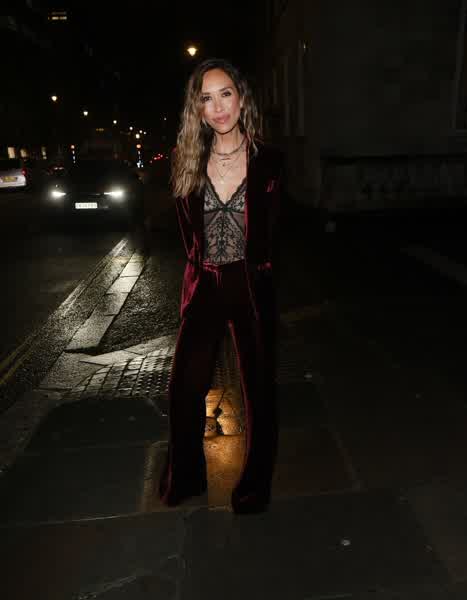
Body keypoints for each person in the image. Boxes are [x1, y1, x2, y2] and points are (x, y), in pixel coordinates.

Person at [158, 57, 283, 514]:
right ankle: (187, 476)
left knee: (258, 390)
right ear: (197, 109)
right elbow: (186, 236)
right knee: (184, 387)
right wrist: (194, 283)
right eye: (206, 98)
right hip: (205, 283)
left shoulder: (269, 160)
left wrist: (261, 275)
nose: (218, 107)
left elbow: (272, 232)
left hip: (250, 283)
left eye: (225, 93)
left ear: (241, 97)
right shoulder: (186, 160)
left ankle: (254, 485)